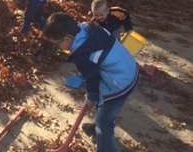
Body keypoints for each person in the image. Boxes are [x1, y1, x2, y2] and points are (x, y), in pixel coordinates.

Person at [43, 12, 139, 152]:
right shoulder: (86, 28)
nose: (58, 47)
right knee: (102, 103)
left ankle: (103, 141)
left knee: (104, 121)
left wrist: (92, 96)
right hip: (129, 67)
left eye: (58, 44)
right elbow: (94, 67)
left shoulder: (83, 54)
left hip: (120, 83)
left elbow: (93, 78)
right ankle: (95, 128)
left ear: (68, 39)